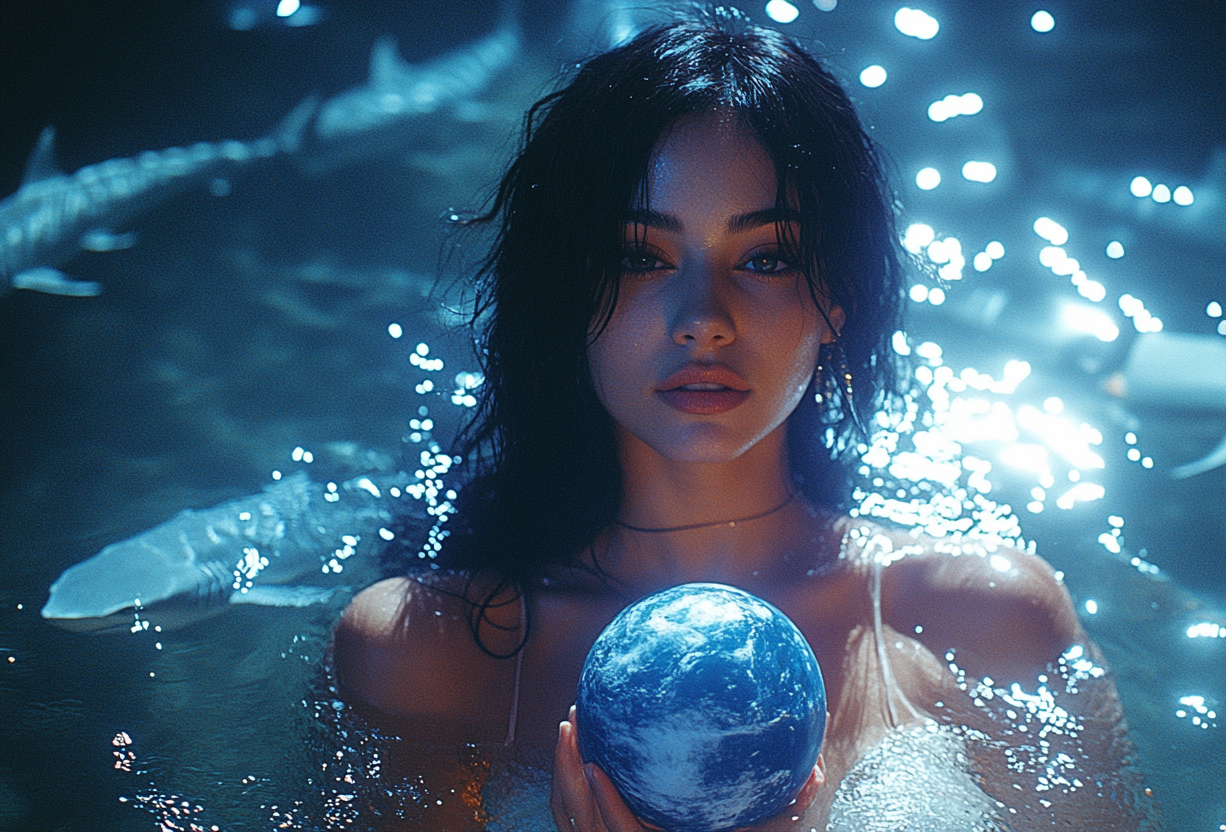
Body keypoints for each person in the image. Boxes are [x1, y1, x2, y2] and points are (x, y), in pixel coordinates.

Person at [332, 12, 1149, 831]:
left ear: (837, 298)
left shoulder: (987, 623)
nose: (703, 319)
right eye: (639, 255)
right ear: (563, 295)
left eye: (766, 258)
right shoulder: (424, 660)